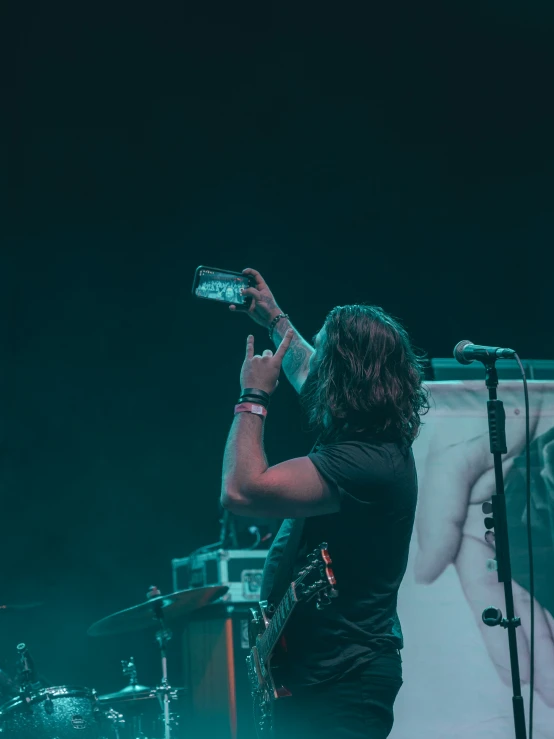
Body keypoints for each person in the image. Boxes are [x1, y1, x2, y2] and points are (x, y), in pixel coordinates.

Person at [221, 268, 429, 739]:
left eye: (326, 359)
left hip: (345, 681)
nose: (315, 370)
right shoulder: (369, 432)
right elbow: (307, 371)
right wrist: (273, 317)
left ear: (346, 376)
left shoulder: (366, 462)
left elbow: (241, 490)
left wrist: (252, 397)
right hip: (320, 675)